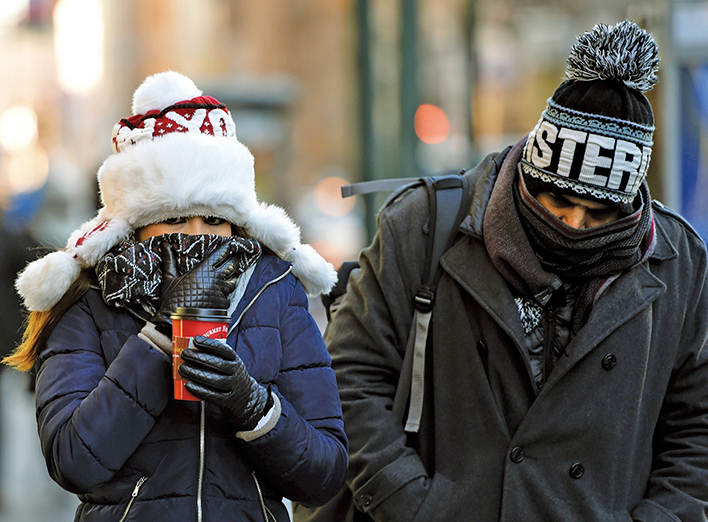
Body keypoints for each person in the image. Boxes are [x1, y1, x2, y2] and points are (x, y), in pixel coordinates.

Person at [296, 20, 708, 522]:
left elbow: (696, 428)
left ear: (629, 206)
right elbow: (348, 378)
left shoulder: (679, 263)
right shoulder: (425, 226)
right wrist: (414, 506)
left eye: (600, 214)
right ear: (530, 175)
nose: (575, 224)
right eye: (558, 200)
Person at [3, 71, 348, 522]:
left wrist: (253, 405)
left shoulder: (272, 289)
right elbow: (72, 460)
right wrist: (160, 338)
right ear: (138, 225)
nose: (195, 235)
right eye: (175, 219)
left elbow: (323, 475)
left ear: (236, 223)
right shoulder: (90, 297)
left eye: (212, 219)